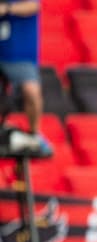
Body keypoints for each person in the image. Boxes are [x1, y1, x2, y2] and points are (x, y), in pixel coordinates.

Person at [0, 1, 52, 155]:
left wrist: (7, 9)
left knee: (31, 91)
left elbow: (34, 5)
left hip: (20, 56)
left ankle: (34, 135)